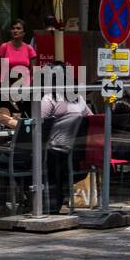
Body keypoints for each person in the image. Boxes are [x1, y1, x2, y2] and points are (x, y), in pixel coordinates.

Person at [40, 62, 92, 214]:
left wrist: (10, 122)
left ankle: (43, 203)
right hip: (77, 154)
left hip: (55, 153)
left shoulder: (49, 99)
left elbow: (37, 127)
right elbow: (92, 120)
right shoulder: (79, 100)